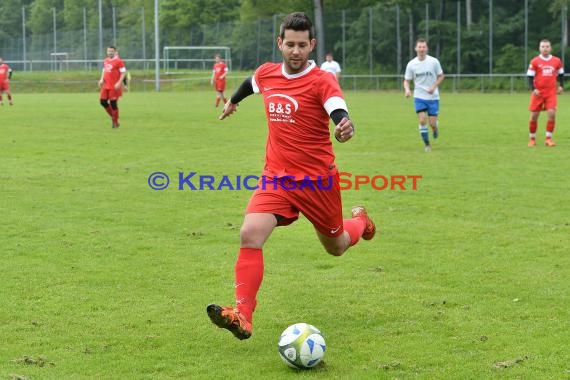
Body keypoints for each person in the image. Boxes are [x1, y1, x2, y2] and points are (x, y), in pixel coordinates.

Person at [206, 12, 376, 341]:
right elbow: (250, 85)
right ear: (279, 43)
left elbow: (338, 110)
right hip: (276, 177)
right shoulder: (267, 74)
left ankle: (361, 223)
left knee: (337, 246)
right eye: (290, 44)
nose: (295, 51)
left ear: (312, 45)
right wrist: (233, 101)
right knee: (249, 234)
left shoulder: (322, 80)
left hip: (317, 182)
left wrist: (344, 126)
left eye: (302, 45)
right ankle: (242, 315)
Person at [403, 38, 445, 152]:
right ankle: (427, 145)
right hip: (419, 97)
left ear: (427, 48)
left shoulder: (434, 62)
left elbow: (441, 76)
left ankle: (435, 128)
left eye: (423, 47)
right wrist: (407, 90)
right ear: (416, 48)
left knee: (432, 123)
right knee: (422, 120)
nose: (421, 49)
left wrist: (433, 87)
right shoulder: (411, 64)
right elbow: (406, 80)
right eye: (419, 47)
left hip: (433, 97)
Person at [527, 39, 564, 147]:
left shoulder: (557, 61)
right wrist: (533, 88)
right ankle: (532, 139)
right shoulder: (535, 61)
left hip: (551, 93)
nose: (545, 48)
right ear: (539, 48)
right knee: (534, 116)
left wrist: (561, 86)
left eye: (547, 46)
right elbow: (529, 77)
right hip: (538, 93)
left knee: (552, 114)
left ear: (550, 48)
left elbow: (561, 74)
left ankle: (548, 139)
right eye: (543, 46)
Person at [98, 46, 126, 128]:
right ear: (107, 52)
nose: (110, 52)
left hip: (114, 86)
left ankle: (115, 122)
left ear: (115, 52)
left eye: (112, 51)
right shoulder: (106, 60)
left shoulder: (119, 61)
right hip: (106, 85)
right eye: (109, 51)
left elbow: (123, 73)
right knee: (102, 102)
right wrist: (101, 79)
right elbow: (104, 70)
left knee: (113, 104)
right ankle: (114, 118)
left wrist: (119, 83)